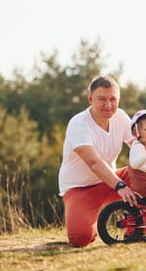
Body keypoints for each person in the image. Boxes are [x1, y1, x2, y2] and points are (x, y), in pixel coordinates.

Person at [58, 75, 140, 247]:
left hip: (109, 182)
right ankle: (90, 221)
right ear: (90, 99)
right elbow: (94, 163)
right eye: (101, 99)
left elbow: (139, 148)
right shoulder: (78, 124)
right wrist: (121, 186)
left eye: (113, 99)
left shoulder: (121, 117)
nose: (108, 105)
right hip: (79, 188)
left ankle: (136, 231)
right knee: (80, 238)